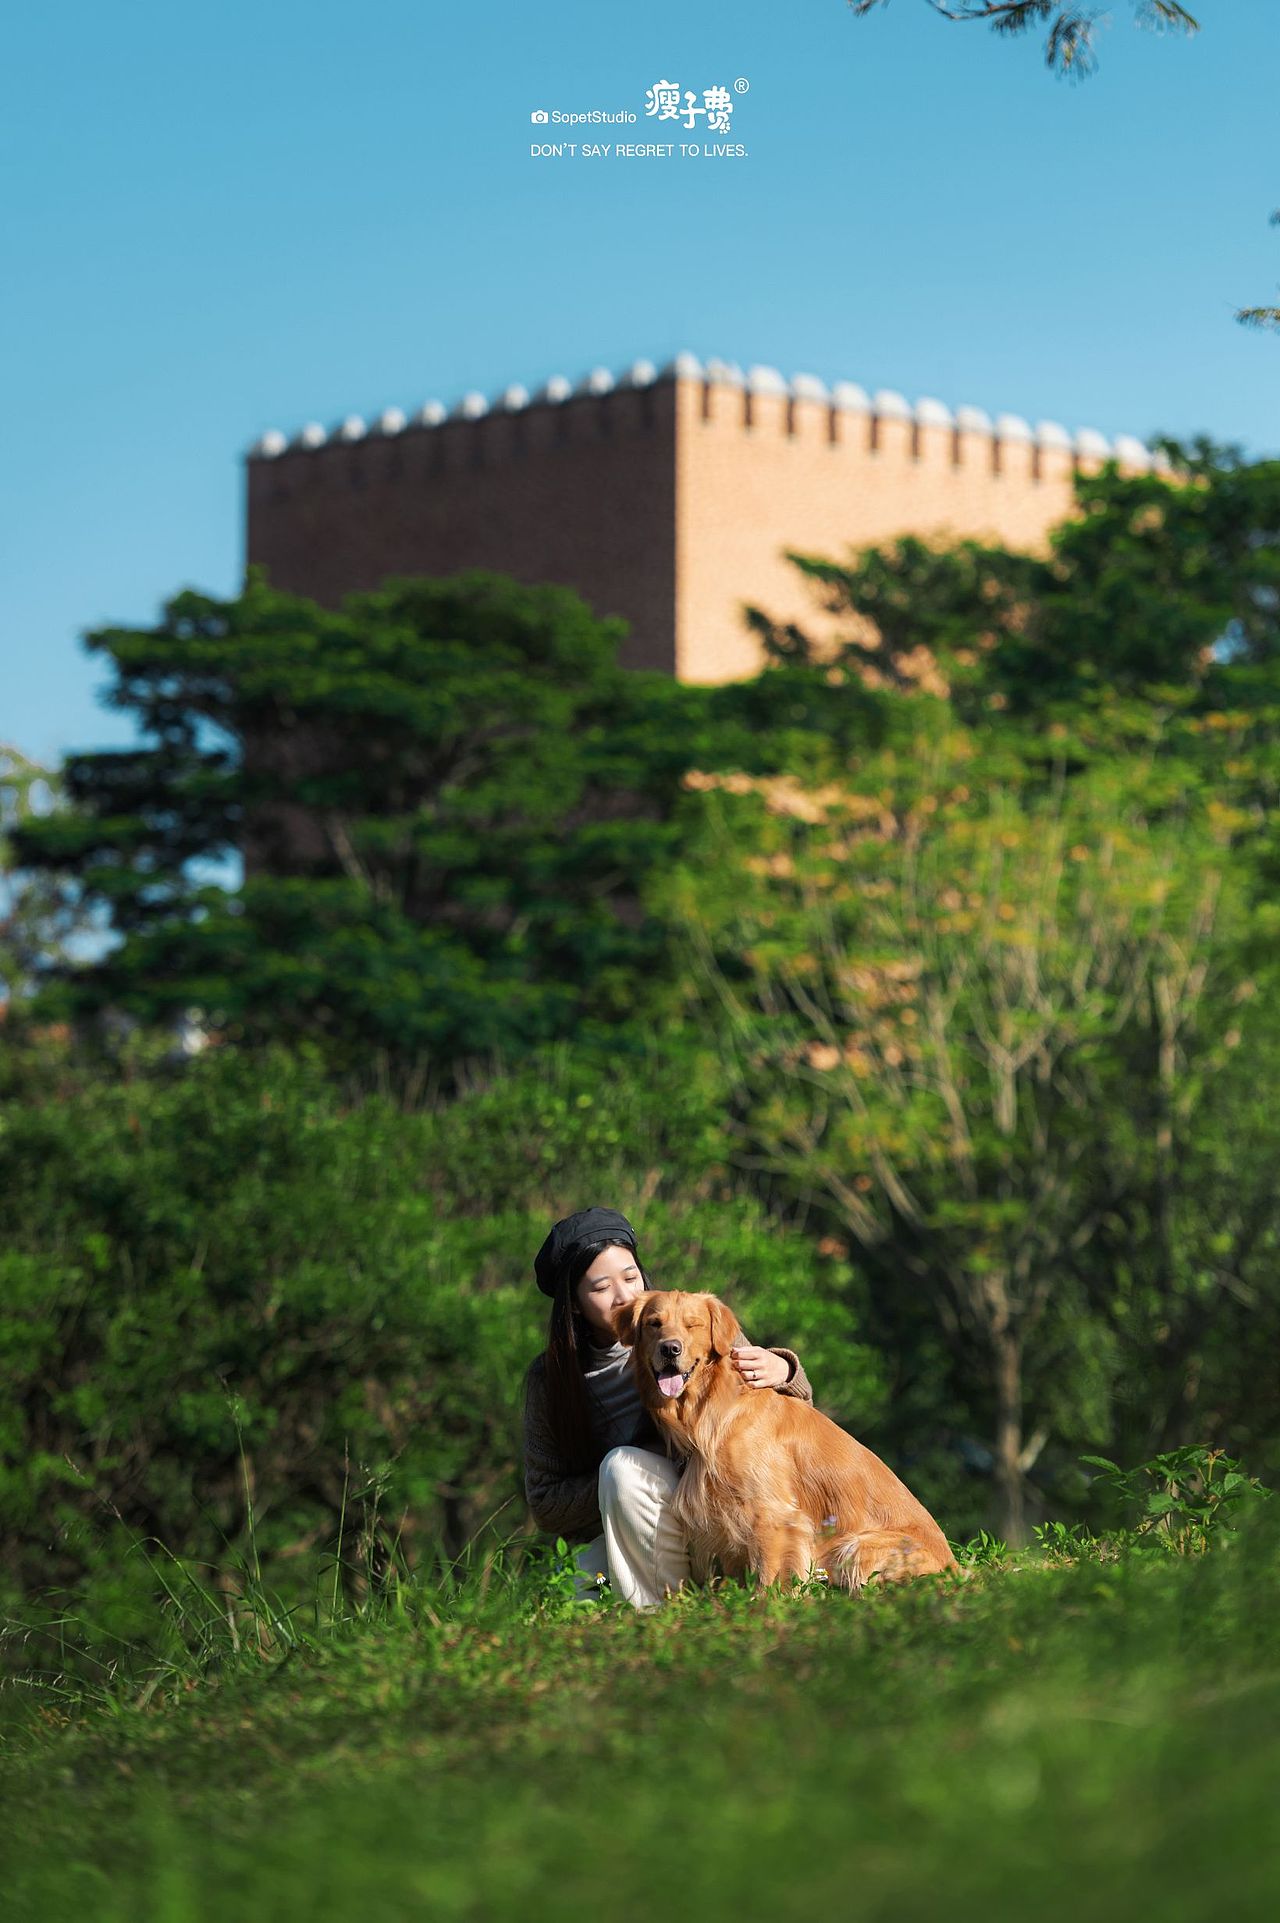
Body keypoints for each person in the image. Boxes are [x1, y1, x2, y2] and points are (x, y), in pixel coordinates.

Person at [522, 1205, 813, 1609]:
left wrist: (785, 1368)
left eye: (630, 1276)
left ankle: (666, 1615)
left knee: (623, 1470)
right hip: (631, 1527)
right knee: (577, 1587)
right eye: (601, 1287)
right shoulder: (550, 1380)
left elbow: (783, 1418)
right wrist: (641, 1466)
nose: (624, 1295)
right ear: (573, 1303)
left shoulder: (680, 1323)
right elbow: (546, 1505)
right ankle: (659, 1618)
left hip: (714, 1508)